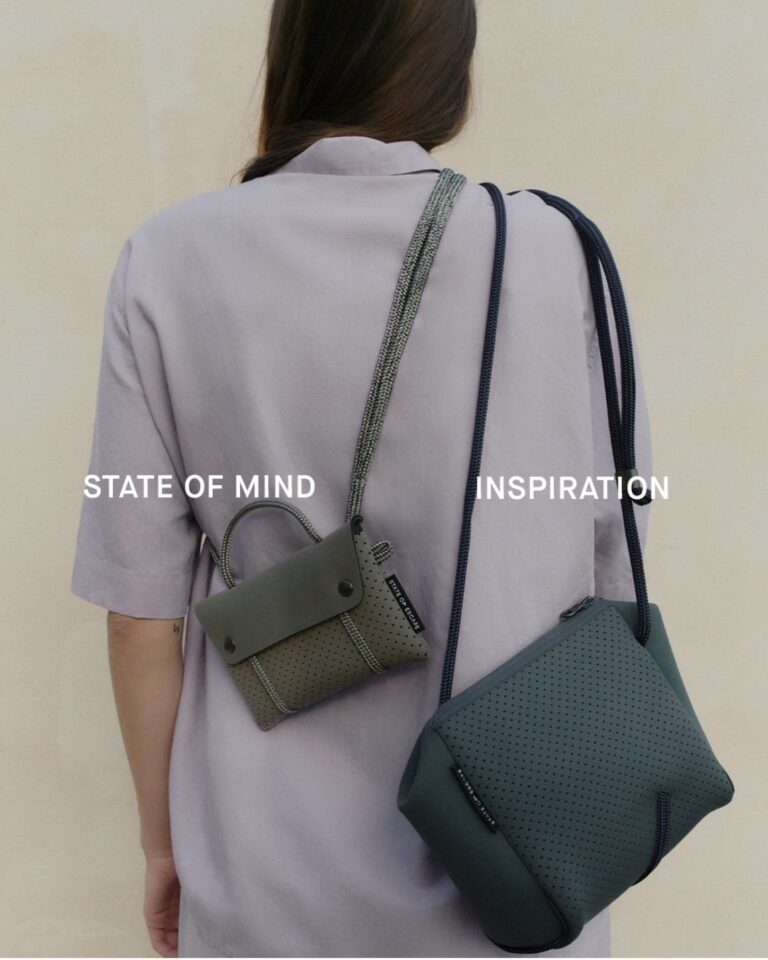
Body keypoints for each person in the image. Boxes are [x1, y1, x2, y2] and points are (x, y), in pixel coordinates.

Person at [72, 0, 650, 956]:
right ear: (449, 70)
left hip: (263, 891)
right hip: (519, 876)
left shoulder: (165, 258)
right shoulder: (556, 253)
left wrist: (162, 845)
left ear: (296, 53)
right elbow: (613, 557)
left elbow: (139, 618)